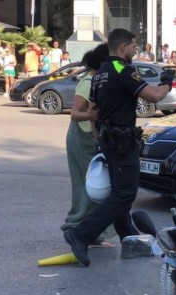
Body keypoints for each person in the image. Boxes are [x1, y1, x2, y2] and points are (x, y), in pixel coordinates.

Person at [62, 28, 173, 267]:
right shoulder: (122, 69)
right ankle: (80, 234)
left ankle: (128, 236)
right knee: (125, 194)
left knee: (118, 192)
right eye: (134, 46)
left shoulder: (100, 73)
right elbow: (153, 96)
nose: (136, 50)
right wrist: (166, 83)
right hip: (122, 143)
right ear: (123, 47)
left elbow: (95, 113)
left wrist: (100, 144)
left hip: (108, 141)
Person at [61, 43, 117, 247]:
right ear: (103, 62)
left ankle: (90, 232)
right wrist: (90, 115)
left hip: (91, 138)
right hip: (82, 138)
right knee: (89, 187)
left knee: (96, 187)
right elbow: (75, 113)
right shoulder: (88, 81)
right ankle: (77, 228)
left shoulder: (99, 79)